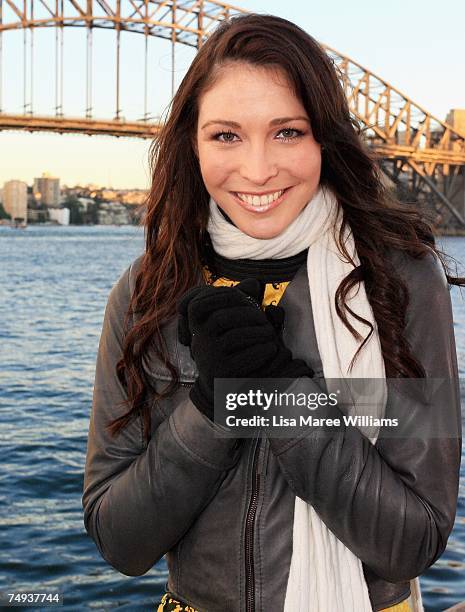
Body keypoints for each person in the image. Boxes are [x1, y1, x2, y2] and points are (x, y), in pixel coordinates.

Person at [82, 13, 463, 612]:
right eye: (226, 136)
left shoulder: (402, 282)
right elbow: (119, 540)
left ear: (324, 139)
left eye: (287, 132)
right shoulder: (147, 289)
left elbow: (412, 542)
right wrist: (212, 409)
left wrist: (280, 394)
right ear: (192, 142)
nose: (257, 170)